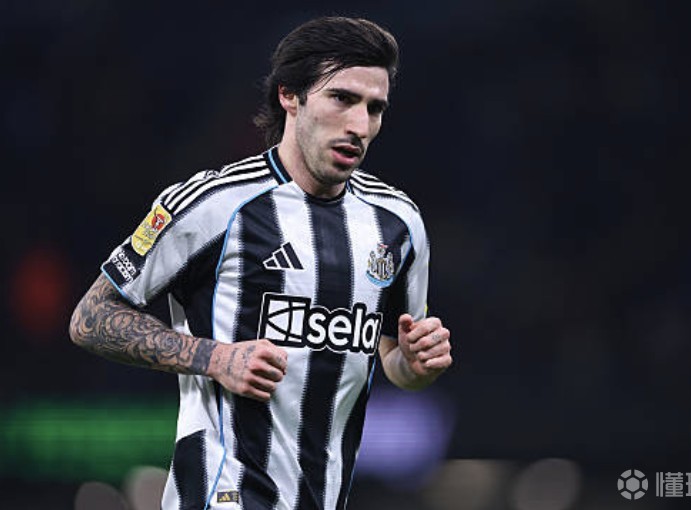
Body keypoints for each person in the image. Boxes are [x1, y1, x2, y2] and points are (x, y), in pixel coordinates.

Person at [69, 16, 452, 510]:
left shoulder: (398, 223)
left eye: (374, 108)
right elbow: (91, 317)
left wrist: (415, 365)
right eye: (342, 98)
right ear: (289, 96)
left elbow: (393, 356)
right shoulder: (213, 204)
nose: (360, 125)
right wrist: (215, 358)